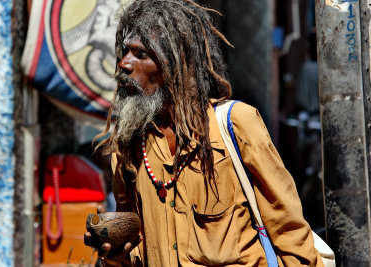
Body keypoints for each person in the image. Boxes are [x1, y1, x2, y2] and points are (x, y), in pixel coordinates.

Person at [84, 0, 324, 266]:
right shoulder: (129, 147)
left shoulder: (236, 124)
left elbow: (290, 233)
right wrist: (115, 256)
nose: (124, 64)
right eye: (124, 52)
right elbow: (134, 250)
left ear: (174, 64)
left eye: (141, 54)